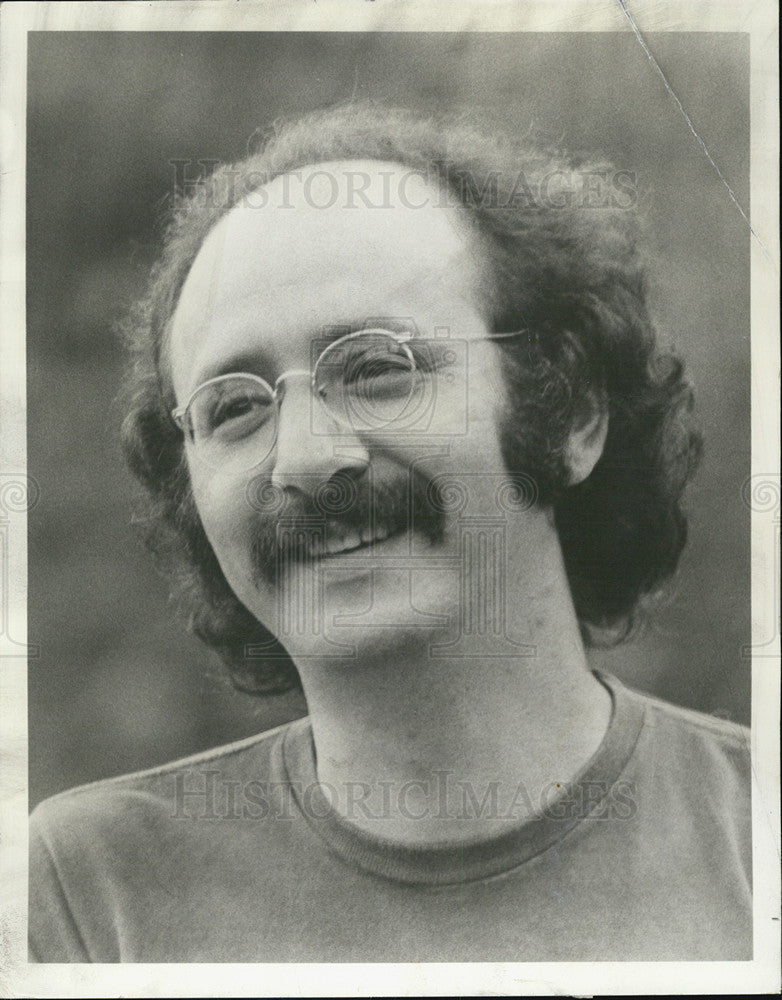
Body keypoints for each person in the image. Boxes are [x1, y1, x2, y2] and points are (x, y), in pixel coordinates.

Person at [29, 104, 751, 962]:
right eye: (234, 408)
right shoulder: (87, 894)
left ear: (572, 415)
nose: (302, 457)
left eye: (375, 369)